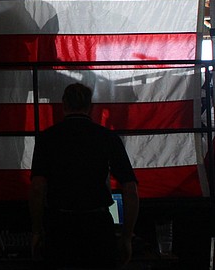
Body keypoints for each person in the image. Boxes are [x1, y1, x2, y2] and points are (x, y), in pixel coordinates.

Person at [30, 83, 139, 268]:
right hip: (97, 227)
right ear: (91, 106)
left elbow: (38, 187)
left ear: (63, 104)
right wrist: (127, 237)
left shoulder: (47, 139)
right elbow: (130, 190)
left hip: (60, 227)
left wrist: (36, 232)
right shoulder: (108, 138)